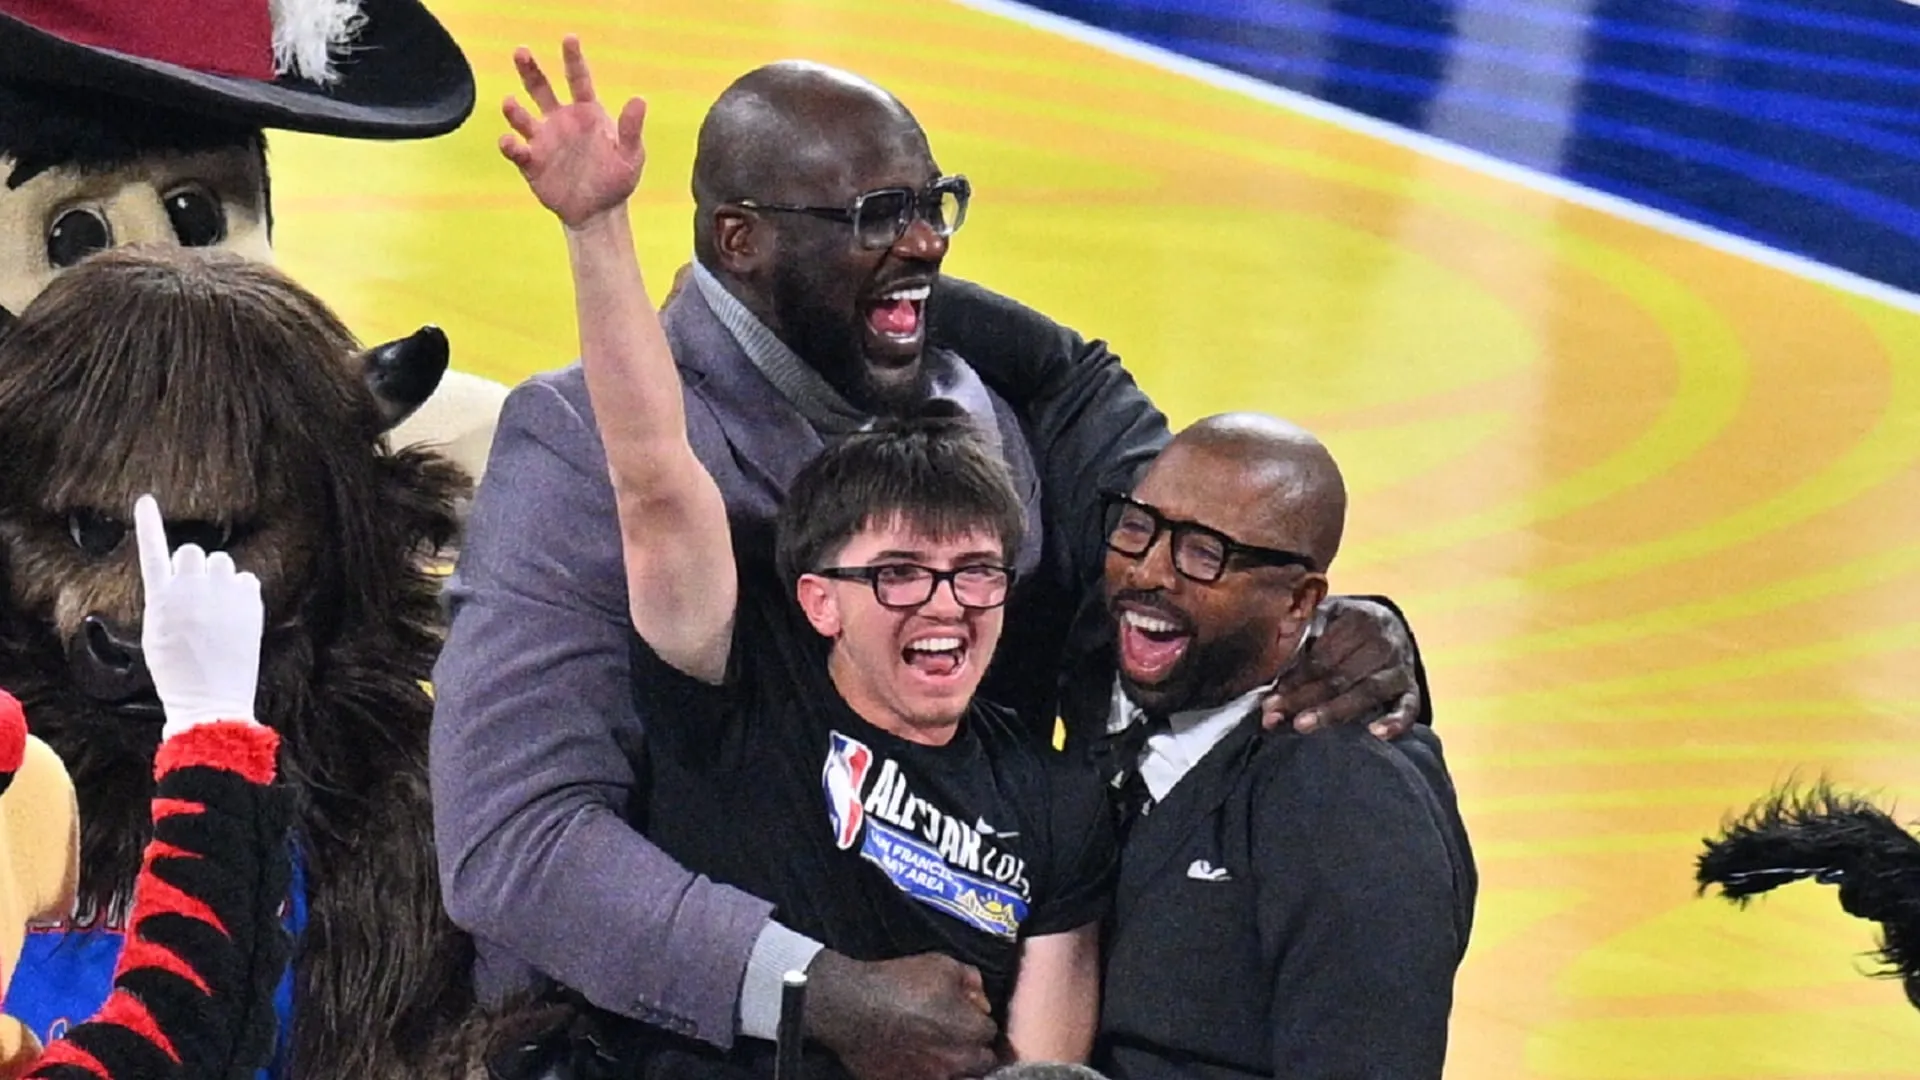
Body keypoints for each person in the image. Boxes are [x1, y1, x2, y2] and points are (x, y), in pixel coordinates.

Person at [429, 34, 1431, 1069]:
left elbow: (1179, 564)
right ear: (740, 240)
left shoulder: (984, 415)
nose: (927, 244)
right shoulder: (596, 466)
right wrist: (810, 988)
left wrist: (1334, 629)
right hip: (645, 1042)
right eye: (876, 217)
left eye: (933, 204)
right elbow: (516, 847)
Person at [493, 38, 1114, 1079]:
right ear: (816, 597)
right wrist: (597, 229)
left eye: (977, 574)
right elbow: (654, 478)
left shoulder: (1052, 802)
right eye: (902, 576)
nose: (949, 607)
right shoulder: (743, 706)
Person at [1074, 415, 1475, 1079]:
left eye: (1204, 554)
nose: (1148, 572)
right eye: (1138, 527)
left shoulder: (1348, 799)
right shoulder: (1107, 675)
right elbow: (1054, 368)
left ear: (1299, 602)